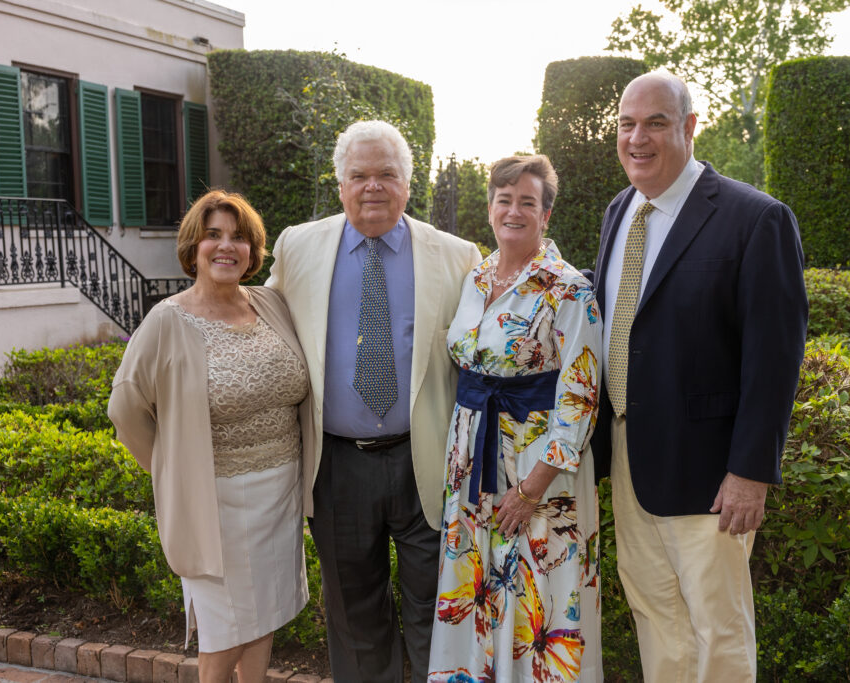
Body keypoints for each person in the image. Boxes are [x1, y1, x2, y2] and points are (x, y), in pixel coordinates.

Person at [589, 71, 808, 682]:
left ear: (689, 127)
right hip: (631, 455)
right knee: (654, 610)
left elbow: (775, 357)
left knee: (718, 624)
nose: (638, 138)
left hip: (712, 471)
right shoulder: (620, 211)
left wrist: (750, 471)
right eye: (627, 124)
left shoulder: (754, 219)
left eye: (656, 122)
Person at [266, 120, 481, 683]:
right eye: (359, 175)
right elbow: (259, 325)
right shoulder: (297, 247)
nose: (373, 187)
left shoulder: (458, 257)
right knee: (354, 619)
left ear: (409, 184)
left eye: (387, 174)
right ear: (340, 184)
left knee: (438, 613)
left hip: (426, 464)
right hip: (336, 466)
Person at [108, 190, 313, 683]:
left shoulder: (270, 304)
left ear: (252, 251)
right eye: (213, 235)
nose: (227, 247)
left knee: (264, 620)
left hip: (279, 491)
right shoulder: (167, 319)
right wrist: (173, 469)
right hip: (215, 502)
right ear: (193, 247)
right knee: (224, 634)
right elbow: (126, 406)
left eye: (239, 237)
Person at [427, 155, 603, 682]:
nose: (514, 211)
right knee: (476, 588)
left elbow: (582, 394)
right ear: (490, 208)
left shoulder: (569, 289)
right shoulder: (475, 279)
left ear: (546, 215)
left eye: (528, 201)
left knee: (536, 596)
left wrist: (532, 489)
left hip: (538, 468)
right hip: (471, 466)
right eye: (505, 200)